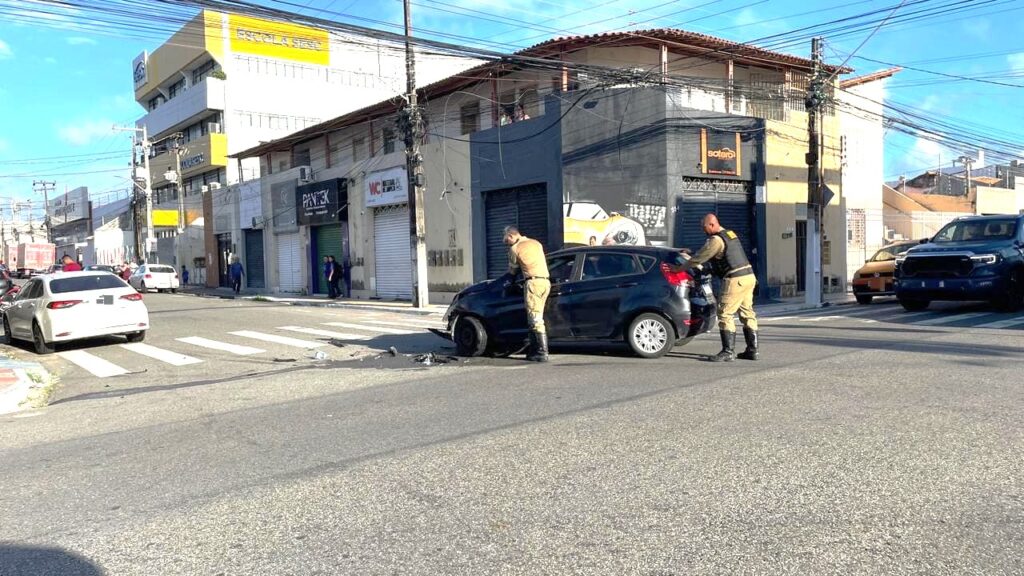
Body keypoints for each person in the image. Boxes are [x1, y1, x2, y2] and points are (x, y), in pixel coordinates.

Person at [680, 213, 759, 362]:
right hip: (749, 277)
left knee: (725, 314)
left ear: (711, 225)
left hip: (735, 279)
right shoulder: (730, 234)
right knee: (747, 313)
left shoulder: (716, 239)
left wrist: (679, 268)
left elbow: (700, 258)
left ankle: (728, 351)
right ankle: (752, 350)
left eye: (704, 227)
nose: (703, 231)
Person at [504, 225, 550, 362]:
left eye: (506, 241)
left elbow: (512, 272)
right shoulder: (536, 243)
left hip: (533, 283)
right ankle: (534, 349)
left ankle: (540, 352)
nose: (506, 244)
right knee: (539, 316)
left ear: (511, 236)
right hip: (545, 282)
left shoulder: (515, 248)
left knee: (535, 318)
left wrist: (507, 283)